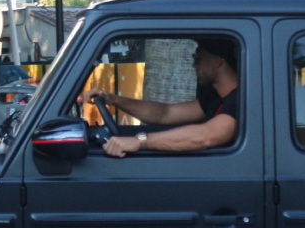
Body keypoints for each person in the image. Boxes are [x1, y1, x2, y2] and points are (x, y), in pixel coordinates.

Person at [86, 37, 239, 157]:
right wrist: (114, 99)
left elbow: (207, 135)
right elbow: (165, 113)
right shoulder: (216, 98)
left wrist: (138, 142)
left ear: (218, 62)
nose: (194, 65)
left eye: (198, 59)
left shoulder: (239, 100)